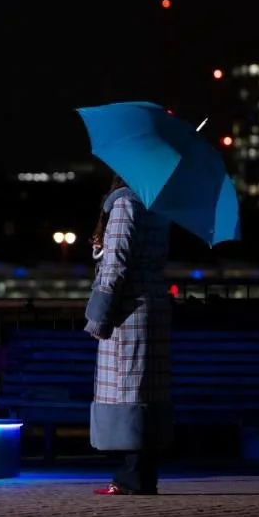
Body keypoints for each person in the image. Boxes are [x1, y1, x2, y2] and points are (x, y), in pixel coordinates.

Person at [84, 173, 172, 494]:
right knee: (147, 391)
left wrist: (98, 314)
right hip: (154, 302)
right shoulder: (156, 204)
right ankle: (143, 475)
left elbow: (117, 265)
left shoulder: (124, 203)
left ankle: (129, 477)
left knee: (128, 391)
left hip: (128, 307)